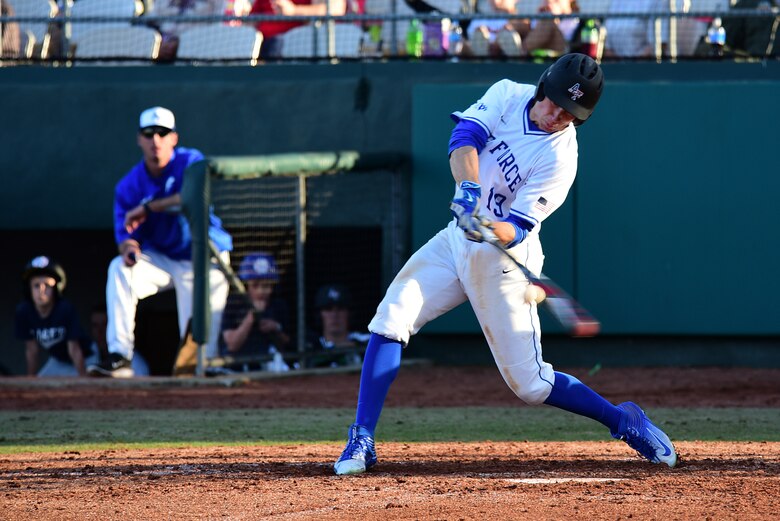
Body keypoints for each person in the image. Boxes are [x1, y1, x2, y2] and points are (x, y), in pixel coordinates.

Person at [333, 53, 678, 476]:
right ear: (542, 88)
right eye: (553, 103)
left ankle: (623, 419)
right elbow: (464, 137)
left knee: (531, 385)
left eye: (569, 114)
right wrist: (468, 190)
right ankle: (362, 438)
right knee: (391, 318)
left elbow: (516, 228)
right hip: (455, 240)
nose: (556, 116)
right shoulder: (506, 94)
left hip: (504, 261)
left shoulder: (561, 159)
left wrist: (489, 228)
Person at [87, 106, 232, 378]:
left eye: (162, 133)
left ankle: (206, 362)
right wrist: (130, 248)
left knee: (198, 351)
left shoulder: (192, 161)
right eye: (149, 133)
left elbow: (191, 195)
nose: (156, 140)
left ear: (173, 138)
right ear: (139, 139)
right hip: (163, 258)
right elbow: (125, 238)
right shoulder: (129, 185)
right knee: (120, 268)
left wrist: (150, 207)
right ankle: (120, 356)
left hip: (203, 257)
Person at [14, 256, 97, 377]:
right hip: (59, 361)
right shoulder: (24, 311)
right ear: (29, 289)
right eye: (36, 285)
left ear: (57, 288)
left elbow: (74, 349)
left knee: (83, 389)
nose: (41, 290)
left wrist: (83, 379)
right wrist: (31, 380)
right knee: (39, 388)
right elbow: (32, 350)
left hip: (86, 358)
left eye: (47, 285)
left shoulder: (65, 309)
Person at [220, 251, 292, 371]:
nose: (261, 291)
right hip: (236, 367)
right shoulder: (234, 304)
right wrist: (250, 319)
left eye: (266, 286)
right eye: (255, 285)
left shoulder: (279, 305)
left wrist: (276, 328)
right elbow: (232, 345)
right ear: (246, 285)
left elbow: (290, 343)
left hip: (270, 365)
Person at [147, 0, 252, 61]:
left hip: (197, 50)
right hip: (161, 47)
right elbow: (150, 23)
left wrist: (182, 44)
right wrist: (156, 45)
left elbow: (219, 30)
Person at [248, 0, 347, 60]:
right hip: (261, 45)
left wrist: (293, 10)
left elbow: (336, 8)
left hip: (294, 46)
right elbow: (250, 20)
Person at [305, 283, 368, 368]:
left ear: (349, 313)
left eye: (340, 309)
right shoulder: (312, 347)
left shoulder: (365, 341)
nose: (334, 315)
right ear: (319, 315)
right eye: (328, 309)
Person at [86, 303, 150, 376]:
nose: (100, 331)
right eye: (95, 325)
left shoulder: (136, 363)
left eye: (104, 324)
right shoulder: (85, 356)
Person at [603, 0, 670, 58]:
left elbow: (658, 45)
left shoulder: (658, 2)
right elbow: (607, 47)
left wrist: (631, 67)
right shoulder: (615, 2)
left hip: (643, 68)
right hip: (616, 67)